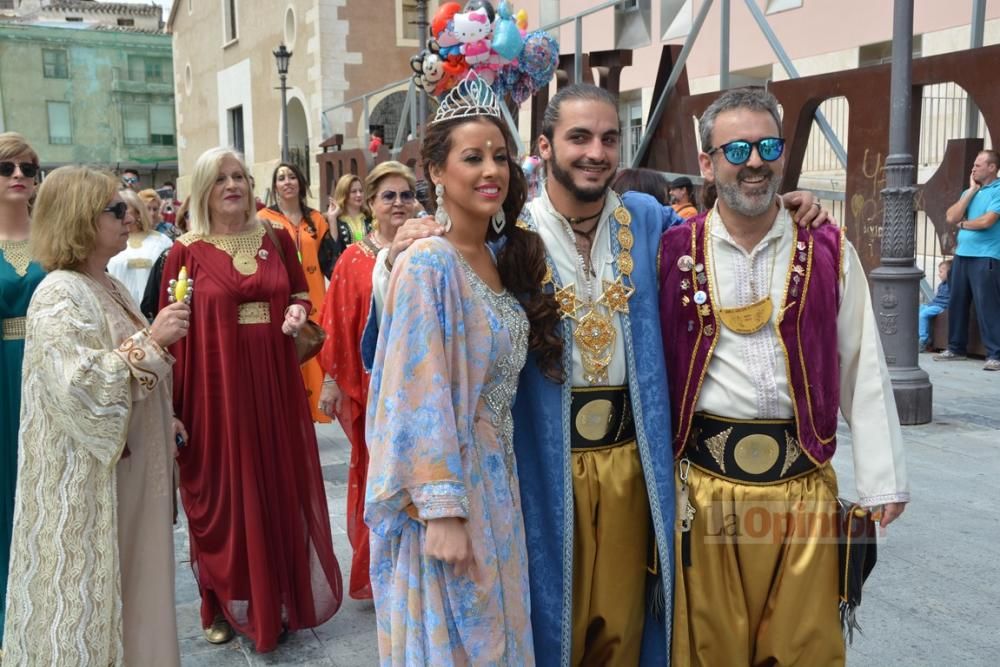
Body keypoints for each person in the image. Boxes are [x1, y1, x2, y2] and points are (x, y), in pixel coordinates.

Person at [372, 83, 830, 666]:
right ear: (545, 146)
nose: (596, 152)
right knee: (544, 622)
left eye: (610, 138)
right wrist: (392, 256)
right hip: (542, 464)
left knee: (624, 622)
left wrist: (784, 205)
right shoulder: (508, 241)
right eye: (579, 137)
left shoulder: (648, 221)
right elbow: (418, 336)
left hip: (632, 463)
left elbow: (723, 229)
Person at [659, 87, 909, 666]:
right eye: (737, 147)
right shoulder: (669, 249)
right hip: (706, 490)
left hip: (802, 492)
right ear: (707, 162)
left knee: (802, 650)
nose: (754, 161)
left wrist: (882, 478)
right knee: (709, 650)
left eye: (768, 145)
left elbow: (860, 362)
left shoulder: (826, 247)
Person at [365, 78, 557, 665]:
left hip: (498, 481)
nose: (490, 170)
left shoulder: (497, 259)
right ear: (436, 172)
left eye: (499, 156)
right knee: (463, 639)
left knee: (499, 634)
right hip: (449, 493)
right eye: (471, 157)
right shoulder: (429, 263)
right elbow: (413, 393)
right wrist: (442, 512)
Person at [3, 166, 190, 665]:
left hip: (129, 479)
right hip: (96, 485)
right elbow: (80, 387)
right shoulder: (59, 293)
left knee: (139, 588)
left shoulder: (106, 284)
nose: (129, 215)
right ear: (80, 220)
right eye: (115, 209)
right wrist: (153, 342)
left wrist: (164, 415)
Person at [160, 147, 342, 652]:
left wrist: (297, 315)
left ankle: (277, 598)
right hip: (215, 388)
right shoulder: (185, 251)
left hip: (275, 382)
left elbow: (300, 295)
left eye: (239, 176)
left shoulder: (276, 237)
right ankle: (217, 601)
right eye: (221, 179)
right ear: (203, 190)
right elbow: (173, 333)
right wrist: (173, 406)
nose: (233, 185)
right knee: (224, 490)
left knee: (276, 485)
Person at [317, 161, 415, 602]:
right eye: (388, 196)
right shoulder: (353, 259)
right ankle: (377, 569)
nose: (398, 204)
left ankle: (413, 568)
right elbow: (336, 324)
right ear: (371, 204)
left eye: (406, 195)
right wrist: (333, 382)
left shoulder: (431, 247)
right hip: (371, 390)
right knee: (374, 474)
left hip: (420, 388)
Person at [0, 133, 44, 640]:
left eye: (28, 168)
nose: (17, 175)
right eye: (5, 167)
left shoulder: (57, 240)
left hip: (50, 378)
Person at [258, 162, 336, 423]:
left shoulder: (316, 220)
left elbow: (332, 263)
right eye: (281, 178)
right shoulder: (263, 220)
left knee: (315, 358)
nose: (287, 181)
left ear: (301, 183)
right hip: (283, 306)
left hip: (316, 302)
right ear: (275, 186)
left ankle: (314, 418)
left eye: (292, 176)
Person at [936, 149, 1000, 370]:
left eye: (979, 165)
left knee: (987, 306)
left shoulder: (998, 190)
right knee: (957, 302)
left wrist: (963, 224)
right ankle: (956, 348)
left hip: (986, 257)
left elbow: (987, 221)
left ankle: (996, 355)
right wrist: (972, 190)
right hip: (962, 256)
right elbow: (951, 216)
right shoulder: (968, 192)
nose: (973, 168)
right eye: (973, 164)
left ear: (992, 167)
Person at [107, 189, 174, 307]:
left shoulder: (161, 241)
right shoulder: (108, 241)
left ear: (138, 213)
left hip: (154, 313)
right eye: (117, 210)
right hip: (119, 309)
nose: (121, 214)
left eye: (125, 209)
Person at [326, 173, 373, 265]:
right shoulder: (336, 220)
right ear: (344, 194)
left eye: (361, 191)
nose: (359, 195)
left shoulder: (369, 217)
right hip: (347, 269)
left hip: (370, 269)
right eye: (354, 191)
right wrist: (332, 219)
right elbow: (333, 251)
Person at [920, 259, 952, 351]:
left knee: (923, 314)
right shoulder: (941, 285)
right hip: (934, 304)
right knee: (920, 309)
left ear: (949, 273)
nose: (939, 274)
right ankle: (922, 336)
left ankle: (923, 340)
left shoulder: (951, 283)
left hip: (942, 307)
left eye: (941, 272)